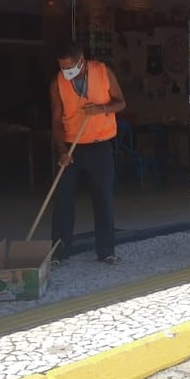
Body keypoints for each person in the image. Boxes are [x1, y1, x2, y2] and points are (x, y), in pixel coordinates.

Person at [50, 44, 126, 265]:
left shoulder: (103, 72)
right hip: (71, 147)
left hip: (100, 145)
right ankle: (59, 252)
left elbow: (121, 102)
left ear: (81, 60)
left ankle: (106, 251)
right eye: (62, 67)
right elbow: (56, 120)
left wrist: (101, 109)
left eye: (69, 66)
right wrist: (62, 151)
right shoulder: (57, 82)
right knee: (63, 200)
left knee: (103, 198)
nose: (66, 71)